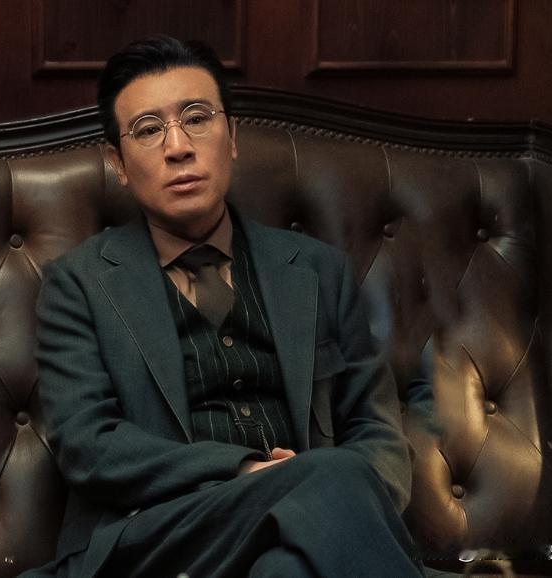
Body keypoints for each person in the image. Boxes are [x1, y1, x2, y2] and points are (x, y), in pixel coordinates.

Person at [24, 35, 423, 577]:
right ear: (118, 163)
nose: (178, 147)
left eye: (196, 118)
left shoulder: (318, 270)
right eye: (149, 129)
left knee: (287, 567)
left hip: (306, 539)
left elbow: (378, 435)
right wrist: (244, 471)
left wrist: (326, 498)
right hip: (161, 537)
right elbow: (88, 445)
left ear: (232, 137)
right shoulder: (78, 284)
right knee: (331, 475)